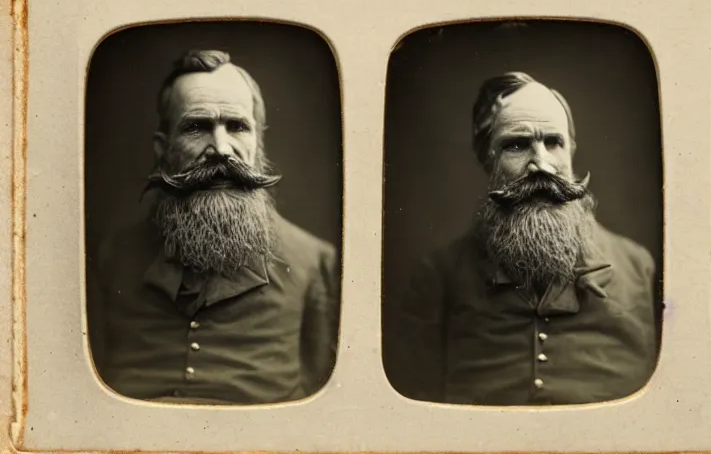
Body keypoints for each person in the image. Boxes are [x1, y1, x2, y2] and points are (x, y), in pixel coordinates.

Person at [385, 71, 660, 405]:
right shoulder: (440, 276)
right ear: (487, 159)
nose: (541, 165)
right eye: (517, 145)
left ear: (571, 151)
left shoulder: (638, 267)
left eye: (553, 142)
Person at [86, 49, 340, 404]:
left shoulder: (314, 262)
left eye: (237, 127)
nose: (221, 149)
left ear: (257, 142)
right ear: (163, 148)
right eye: (196, 127)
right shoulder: (112, 257)